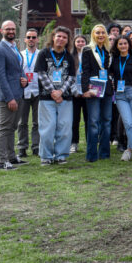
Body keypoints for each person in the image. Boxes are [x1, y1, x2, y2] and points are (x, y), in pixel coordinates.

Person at [35, 26, 76, 165]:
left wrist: (61, 92)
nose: (61, 39)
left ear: (67, 40)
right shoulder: (43, 53)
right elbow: (41, 74)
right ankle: (46, 156)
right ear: (53, 37)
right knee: (48, 127)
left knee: (64, 128)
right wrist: (53, 91)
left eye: (64, 37)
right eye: (59, 36)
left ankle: (61, 155)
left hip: (65, 98)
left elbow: (71, 77)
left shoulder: (69, 56)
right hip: (46, 98)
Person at [0, 20, 29, 170]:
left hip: (18, 94)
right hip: (8, 97)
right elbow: (0, 76)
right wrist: (10, 98)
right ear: (1, 31)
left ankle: (12, 157)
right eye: (8, 29)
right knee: (4, 128)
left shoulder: (14, 47)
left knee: (12, 127)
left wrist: (24, 79)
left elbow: (18, 69)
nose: (11, 31)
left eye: (13, 29)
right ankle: (2, 161)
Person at [109, 35, 132, 164]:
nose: (123, 46)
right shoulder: (114, 60)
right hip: (120, 95)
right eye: (120, 44)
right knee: (128, 123)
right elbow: (109, 75)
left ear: (129, 45)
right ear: (117, 46)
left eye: (125, 43)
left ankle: (128, 150)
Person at [81, 24, 114, 162]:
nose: (100, 35)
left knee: (107, 121)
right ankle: (92, 154)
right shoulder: (87, 50)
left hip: (107, 90)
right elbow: (85, 71)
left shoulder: (109, 51)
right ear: (93, 35)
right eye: (98, 33)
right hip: (94, 88)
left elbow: (110, 70)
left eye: (103, 33)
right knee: (93, 122)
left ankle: (104, 153)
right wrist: (85, 90)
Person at [17, 28, 40, 158]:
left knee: (37, 122)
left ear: (37, 39)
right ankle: (22, 147)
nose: (31, 39)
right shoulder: (20, 55)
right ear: (25, 39)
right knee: (22, 122)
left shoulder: (41, 54)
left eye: (33, 37)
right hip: (24, 92)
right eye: (29, 37)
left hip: (38, 92)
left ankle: (36, 147)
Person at [70, 35, 88, 154]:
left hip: (87, 93)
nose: (80, 43)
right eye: (78, 41)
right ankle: (74, 143)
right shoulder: (71, 57)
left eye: (83, 41)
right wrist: (74, 91)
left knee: (88, 119)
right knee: (74, 120)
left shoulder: (90, 56)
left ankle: (89, 142)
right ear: (74, 43)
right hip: (74, 93)